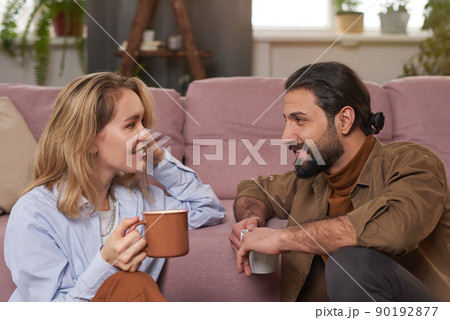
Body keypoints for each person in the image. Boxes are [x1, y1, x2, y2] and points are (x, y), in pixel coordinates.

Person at [229, 62, 449, 302]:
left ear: (344, 120)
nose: (285, 138)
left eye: (300, 120)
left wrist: (281, 238)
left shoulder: (412, 163)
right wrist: (252, 218)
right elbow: (255, 188)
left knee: (352, 262)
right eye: (287, 121)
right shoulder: (311, 180)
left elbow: (397, 227)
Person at [4, 72, 225, 302]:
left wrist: (158, 161)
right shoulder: (34, 214)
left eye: (143, 124)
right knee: (133, 282)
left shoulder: (142, 202)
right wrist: (106, 264)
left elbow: (208, 209)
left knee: (134, 283)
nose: (147, 135)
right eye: (131, 125)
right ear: (89, 140)